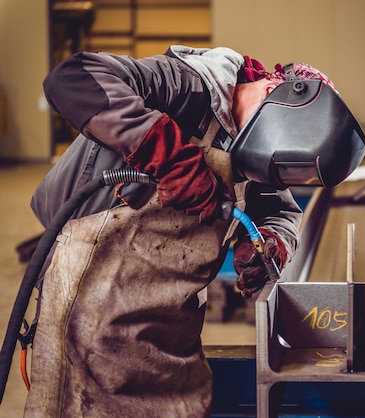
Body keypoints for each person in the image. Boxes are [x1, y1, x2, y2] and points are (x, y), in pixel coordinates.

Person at [24, 46, 343, 417]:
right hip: (93, 310)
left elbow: (282, 210)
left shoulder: (257, 153)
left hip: (171, 332)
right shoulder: (184, 85)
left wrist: (270, 242)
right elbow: (72, 78)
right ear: (272, 90)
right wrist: (170, 158)